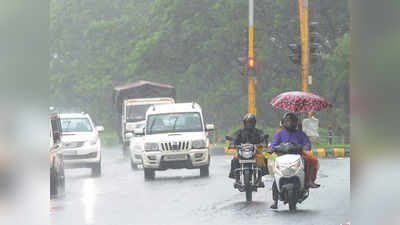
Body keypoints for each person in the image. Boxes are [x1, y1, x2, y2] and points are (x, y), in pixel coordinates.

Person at [269, 112, 320, 209]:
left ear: (296, 122)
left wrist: (305, 147)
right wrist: (271, 149)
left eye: (292, 121)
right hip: (282, 157)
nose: (290, 123)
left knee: (312, 160)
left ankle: (309, 180)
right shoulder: (279, 133)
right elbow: (273, 144)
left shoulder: (301, 134)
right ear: (283, 122)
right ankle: (275, 201)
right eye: (287, 121)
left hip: (298, 156)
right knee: (276, 175)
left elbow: (307, 144)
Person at [228, 113, 268, 187]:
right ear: (244, 123)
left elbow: (263, 138)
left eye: (251, 122)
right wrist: (232, 143)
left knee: (263, 158)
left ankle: (260, 179)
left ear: (254, 123)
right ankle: (237, 179)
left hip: (255, 152)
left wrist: (264, 143)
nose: (249, 124)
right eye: (247, 122)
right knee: (234, 159)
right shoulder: (240, 132)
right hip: (242, 152)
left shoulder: (258, 132)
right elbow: (234, 138)